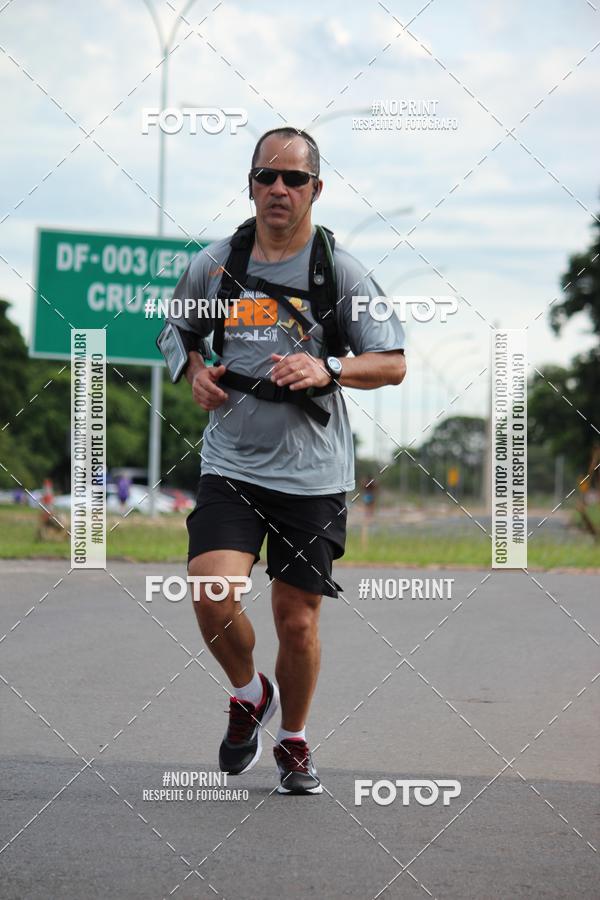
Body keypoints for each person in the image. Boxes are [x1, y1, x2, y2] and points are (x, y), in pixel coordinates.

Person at [167, 127, 406, 795]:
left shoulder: (343, 273)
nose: (279, 188)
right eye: (266, 176)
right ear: (250, 184)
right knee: (212, 592)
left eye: (293, 179)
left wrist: (328, 366)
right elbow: (177, 327)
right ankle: (249, 694)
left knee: (296, 618)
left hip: (312, 473)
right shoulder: (215, 264)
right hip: (232, 463)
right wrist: (191, 369)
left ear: (315, 190)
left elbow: (392, 361)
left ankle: (294, 741)